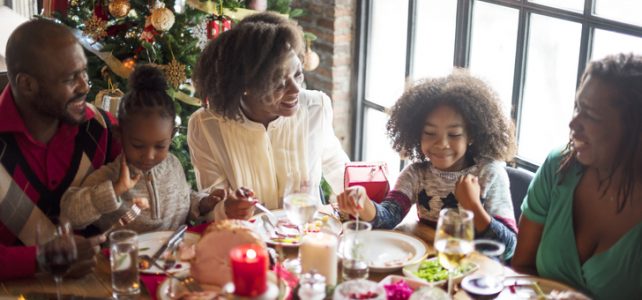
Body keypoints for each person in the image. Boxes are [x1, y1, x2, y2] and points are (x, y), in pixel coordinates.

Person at [337, 70, 518, 259]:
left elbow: (508, 247)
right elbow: (388, 217)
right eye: (430, 133)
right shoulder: (416, 174)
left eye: (454, 134)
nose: (441, 144)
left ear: (471, 135)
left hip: (477, 274)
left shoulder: (489, 174)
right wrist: (364, 204)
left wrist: (473, 205)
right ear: (417, 133)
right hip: (431, 265)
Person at [188, 12, 349, 220]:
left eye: (298, 74)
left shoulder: (316, 108)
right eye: (279, 83)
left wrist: (358, 196)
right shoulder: (206, 125)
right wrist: (225, 209)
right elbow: (211, 203)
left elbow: (338, 167)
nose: (295, 90)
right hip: (247, 242)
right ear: (245, 85)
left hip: (308, 238)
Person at [512, 53, 642, 298]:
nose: (573, 123)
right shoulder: (558, 167)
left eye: (590, 115)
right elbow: (521, 267)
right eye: (577, 107)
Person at [0, 19, 118, 280]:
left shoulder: (103, 129)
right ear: (27, 85)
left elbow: (155, 173)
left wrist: (207, 206)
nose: (86, 86)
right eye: (70, 78)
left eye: (84, 73)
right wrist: (42, 261)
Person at [60, 65, 227, 233]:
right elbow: (70, 215)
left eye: (160, 146)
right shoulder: (109, 177)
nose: (149, 156)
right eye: (138, 145)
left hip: (178, 254)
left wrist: (202, 203)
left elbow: (184, 197)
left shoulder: (173, 164)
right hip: (128, 257)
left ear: (172, 135)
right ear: (120, 135)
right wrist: (116, 189)